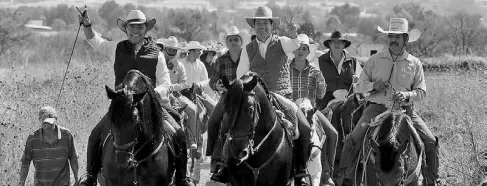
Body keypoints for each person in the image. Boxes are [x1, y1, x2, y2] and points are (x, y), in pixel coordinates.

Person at [77, 8, 193, 186]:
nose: (135, 31)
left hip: (152, 106)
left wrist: (150, 95)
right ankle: (90, 178)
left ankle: (182, 179)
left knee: (179, 134)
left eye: (140, 27)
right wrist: (87, 24)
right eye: (132, 27)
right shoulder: (116, 48)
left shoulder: (158, 54)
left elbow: (165, 83)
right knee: (95, 135)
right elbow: (94, 40)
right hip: (122, 108)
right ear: (126, 29)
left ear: (146, 29)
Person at [214, 7, 313, 186]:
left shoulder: (283, 42)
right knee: (226, 123)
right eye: (258, 23)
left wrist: (294, 34)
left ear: (272, 25)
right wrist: (239, 88)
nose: (262, 26)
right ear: (254, 26)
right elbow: (240, 74)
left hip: (281, 94)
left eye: (265, 23)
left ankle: (300, 170)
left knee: (304, 127)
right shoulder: (248, 48)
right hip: (255, 95)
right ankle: (224, 166)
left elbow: (295, 45)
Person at [338, 18, 440, 186]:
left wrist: (407, 95)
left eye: (397, 37)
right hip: (376, 109)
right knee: (354, 139)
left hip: (405, 111)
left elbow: (421, 92)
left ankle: (432, 178)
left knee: (430, 140)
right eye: (391, 36)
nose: (393, 40)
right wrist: (373, 85)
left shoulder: (415, 63)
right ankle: (344, 176)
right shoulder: (374, 60)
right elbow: (358, 86)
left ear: (405, 39)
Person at [289, 34, 338, 186]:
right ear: (294, 50)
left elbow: (321, 94)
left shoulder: (315, 71)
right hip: (290, 108)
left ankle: (327, 172)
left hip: (310, 109)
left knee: (333, 133)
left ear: (308, 52)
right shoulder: (286, 68)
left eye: (304, 49)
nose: (301, 51)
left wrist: (320, 80)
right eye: (298, 48)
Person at [206, 25, 249, 178]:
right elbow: (212, 81)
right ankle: (213, 157)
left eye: (236, 39)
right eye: (230, 39)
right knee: (212, 122)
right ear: (227, 42)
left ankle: (223, 160)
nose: (233, 42)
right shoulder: (221, 60)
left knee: (226, 124)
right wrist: (216, 86)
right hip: (226, 96)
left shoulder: (248, 56)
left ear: (241, 41)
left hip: (245, 97)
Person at [156, 36, 199, 150]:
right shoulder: (157, 62)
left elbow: (185, 83)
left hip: (175, 94)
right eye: (169, 49)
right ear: (164, 49)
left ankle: (191, 139)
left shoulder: (180, 65)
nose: (171, 52)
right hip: (158, 94)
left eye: (174, 50)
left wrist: (171, 87)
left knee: (193, 110)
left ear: (177, 52)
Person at [19, 106, 79, 186]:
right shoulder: (33, 138)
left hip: (62, 183)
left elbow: (73, 158)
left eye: (49, 122)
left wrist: (77, 179)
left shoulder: (66, 136)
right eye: (44, 122)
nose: (46, 125)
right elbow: (25, 162)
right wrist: (21, 182)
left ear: (56, 119)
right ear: (39, 120)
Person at [316, 31, 361, 110]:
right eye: (334, 42)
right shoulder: (319, 61)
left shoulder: (353, 62)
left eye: (340, 42)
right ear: (329, 44)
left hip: (348, 103)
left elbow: (362, 82)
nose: (337, 44)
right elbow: (314, 84)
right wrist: (331, 92)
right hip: (324, 104)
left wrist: (356, 84)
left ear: (344, 44)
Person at [180, 41, 217, 115]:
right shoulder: (180, 63)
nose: (200, 52)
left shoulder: (201, 65)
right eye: (198, 51)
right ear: (192, 51)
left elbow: (206, 81)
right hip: (182, 94)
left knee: (214, 108)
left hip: (197, 94)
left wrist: (199, 84)